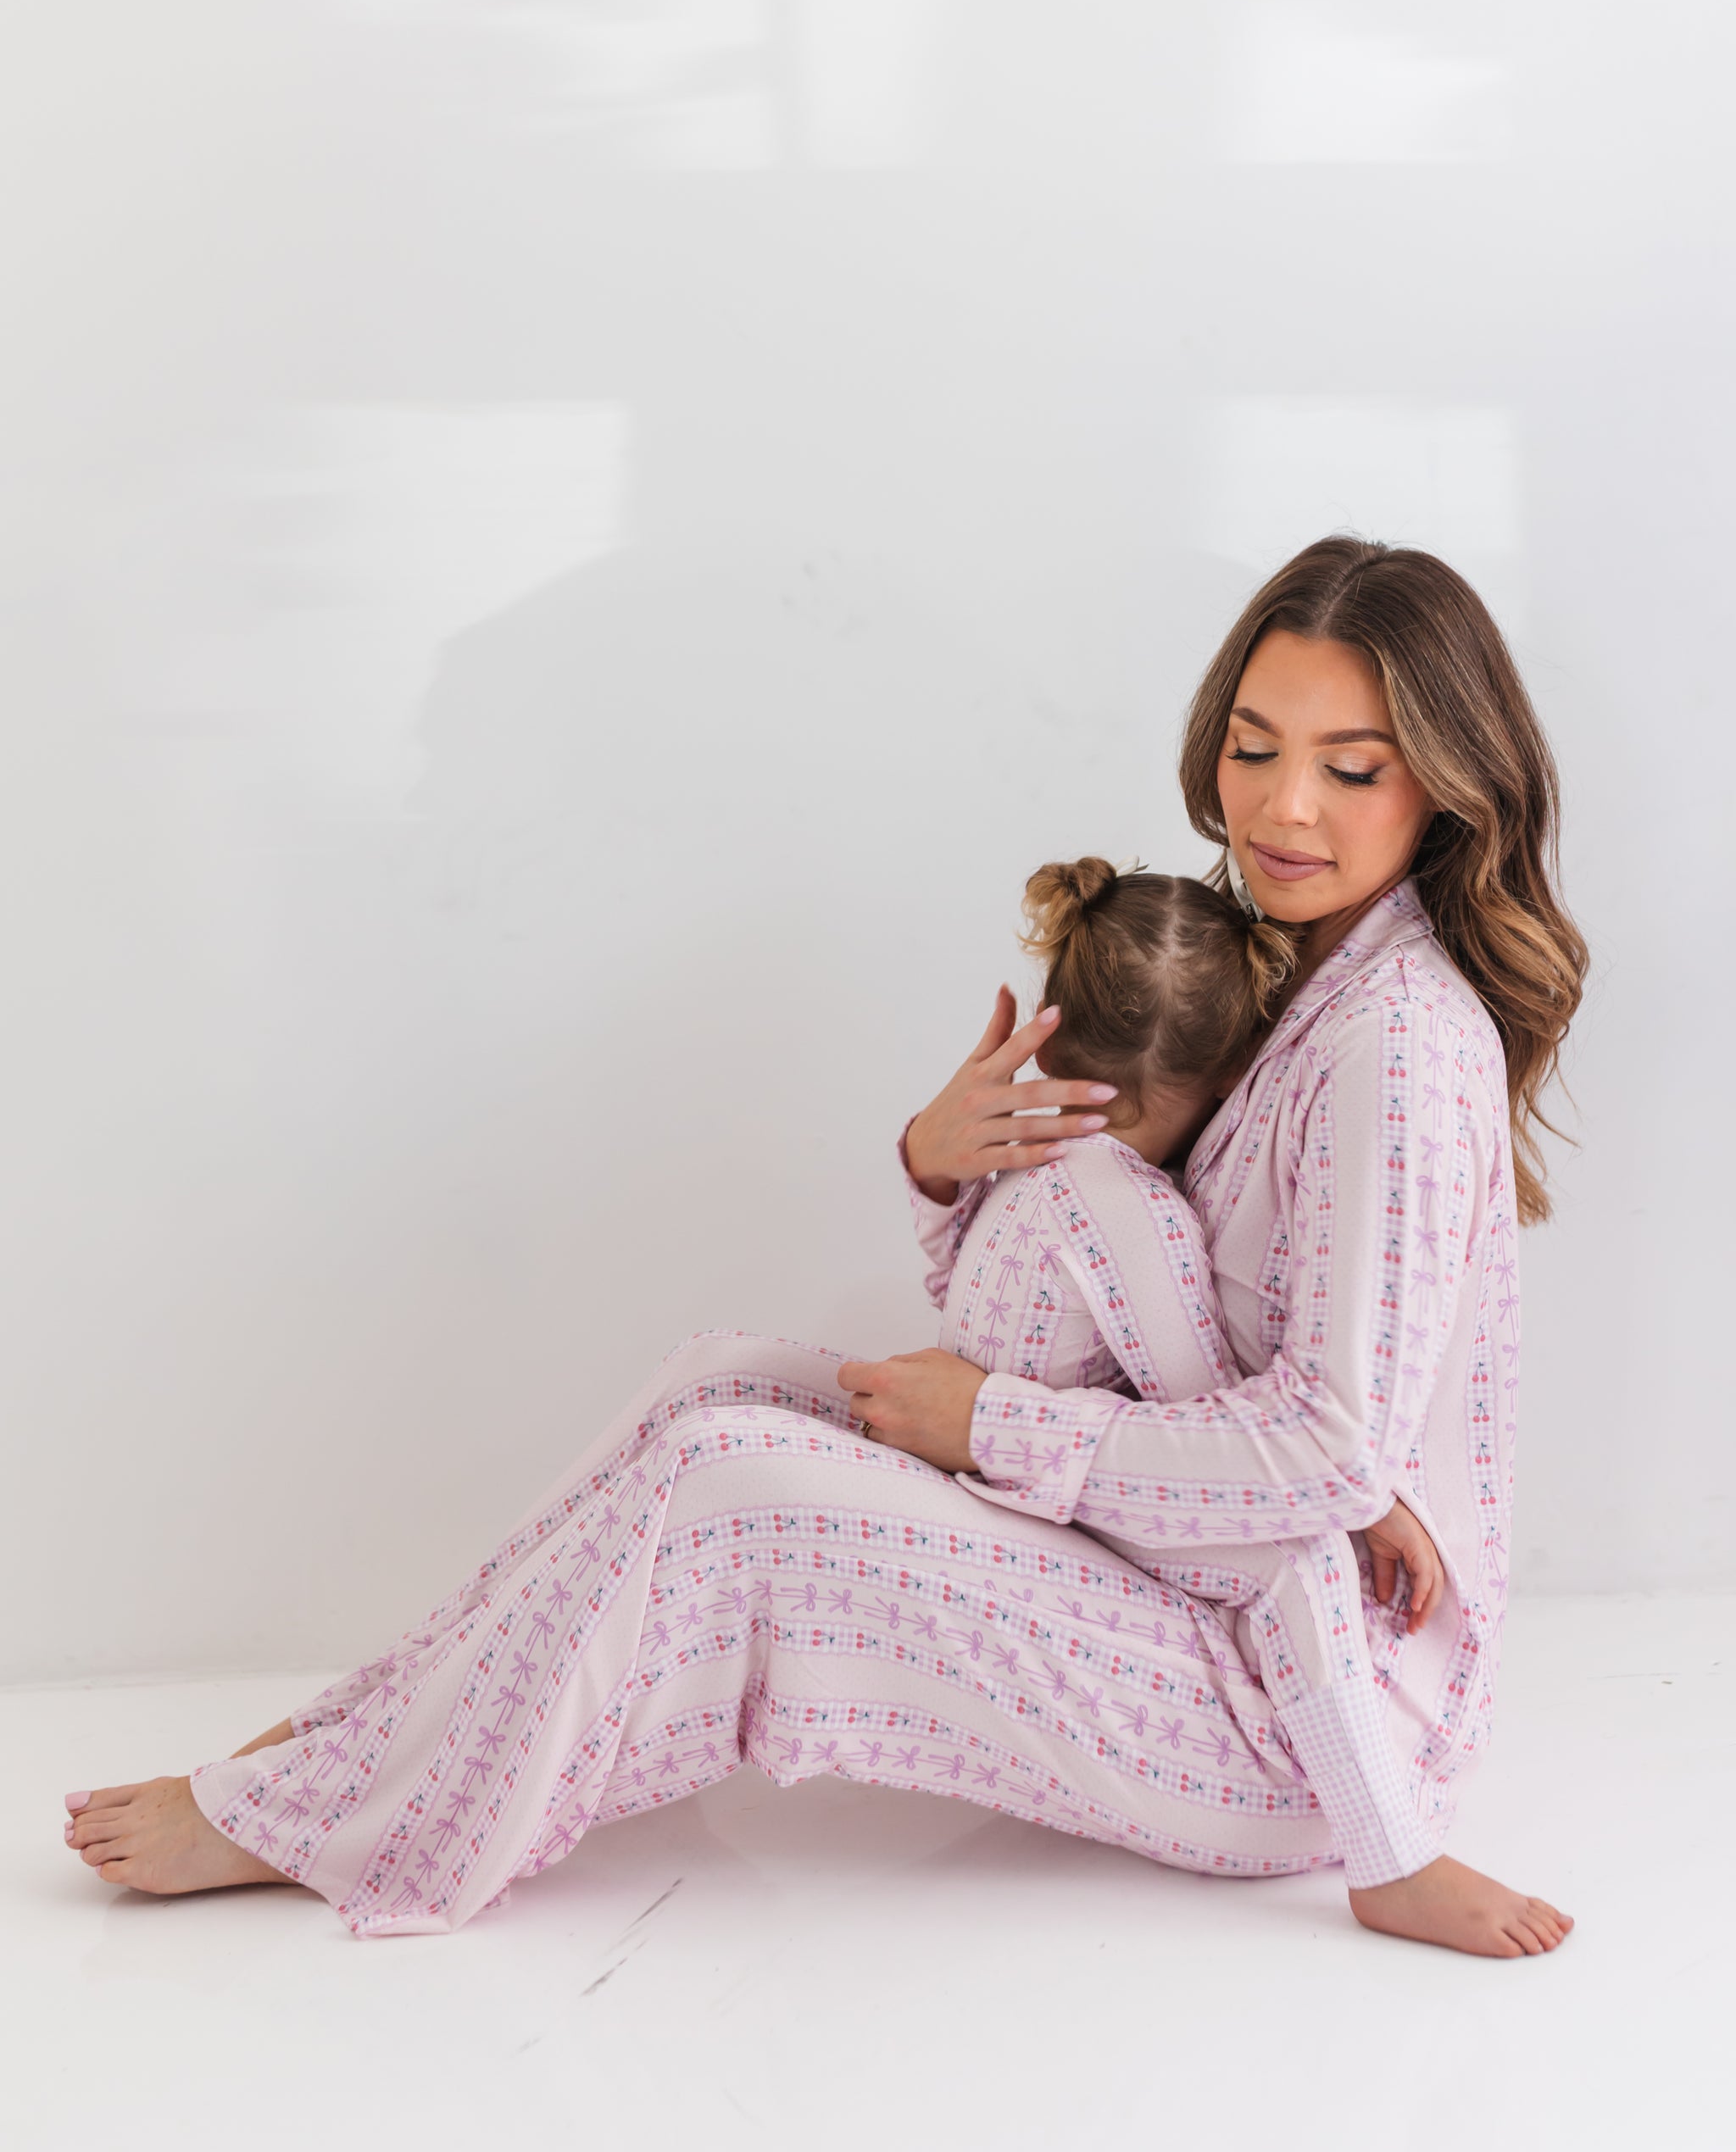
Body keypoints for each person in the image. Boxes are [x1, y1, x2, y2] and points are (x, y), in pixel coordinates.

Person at [62, 536, 1583, 1956]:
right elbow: (1160, 1310)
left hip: (1305, 1716)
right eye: (1253, 748)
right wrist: (944, 1160)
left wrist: (992, 1425)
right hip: (1205, 1565)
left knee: (733, 1484)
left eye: (1350, 768)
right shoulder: (1281, 965)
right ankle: (364, 1740)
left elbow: (1318, 1448)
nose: (1284, 809)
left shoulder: (1394, 1042)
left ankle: (353, 1811)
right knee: (719, 1380)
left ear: (1448, 786)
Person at [929, 854, 1449, 1899]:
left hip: (998, 1443)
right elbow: (1202, 1412)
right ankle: (1391, 1863)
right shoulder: (1136, 1213)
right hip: (1022, 1479)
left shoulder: (1019, 1152)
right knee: (1298, 1557)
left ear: (1050, 1033)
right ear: (1231, 1073)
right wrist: (1362, 1503)